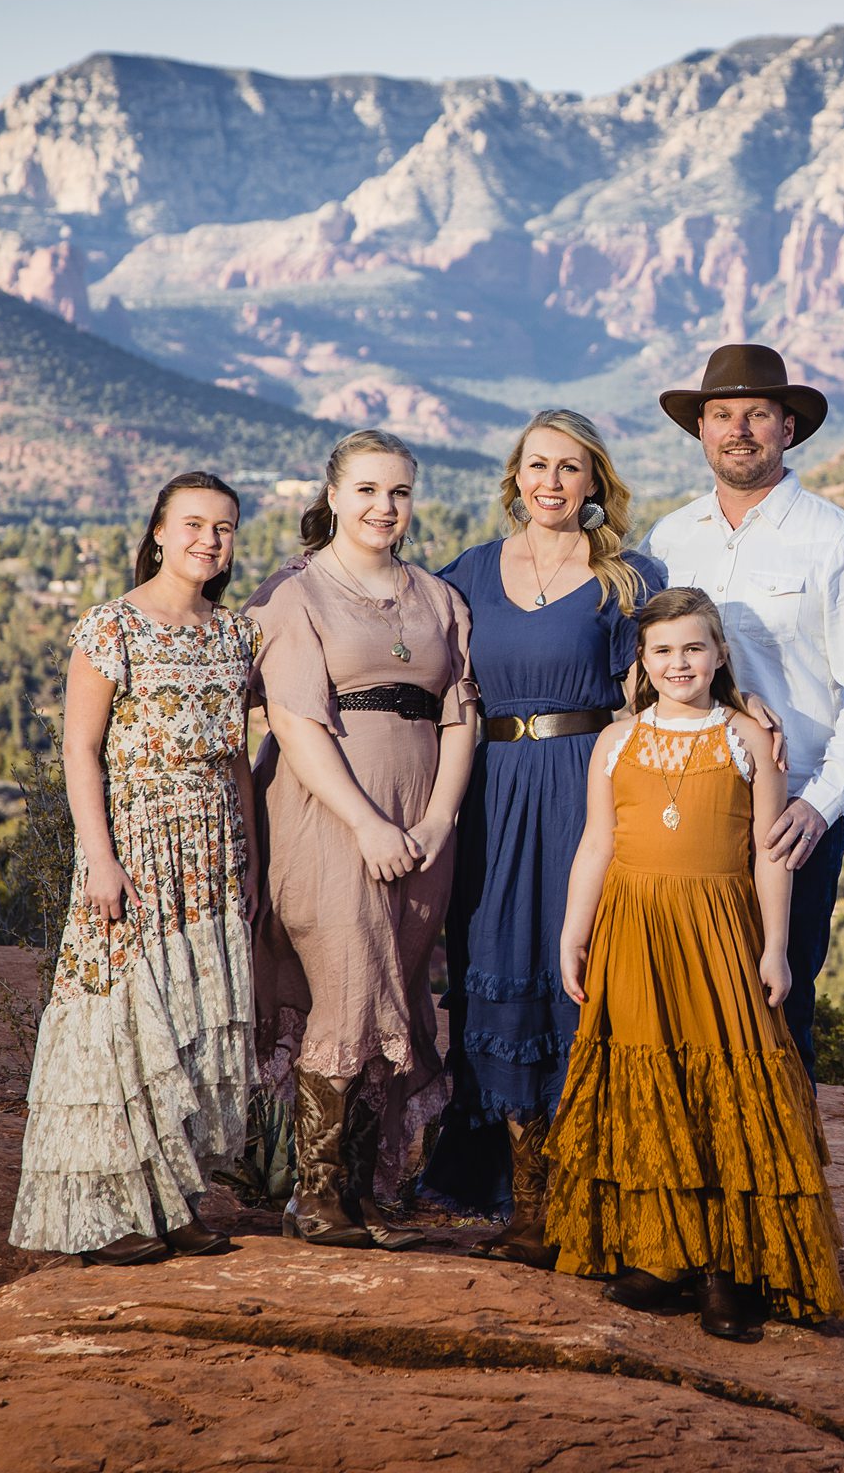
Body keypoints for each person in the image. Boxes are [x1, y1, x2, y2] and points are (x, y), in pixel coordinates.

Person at [546, 587, 844, 1340]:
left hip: (718, 931)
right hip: (634, 930)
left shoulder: (747, 738)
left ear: (717, 655)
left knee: (726, 1080)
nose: (679, 663)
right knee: (654, 1084)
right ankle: (666, 1252)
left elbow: (769, 856)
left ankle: (732, 1271)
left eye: (693, 648)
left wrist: (774, 948)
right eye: (663, 651)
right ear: (642, 663)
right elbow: (597, 843)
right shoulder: (616, 742)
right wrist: (572, 934)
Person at [423, 408, 663, 1265]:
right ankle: (526, 1204)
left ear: (595, 481)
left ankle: (593, 1197)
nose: (551, 482)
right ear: (515, 479)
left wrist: (746, 718)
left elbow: (656, 693)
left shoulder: (630, 579)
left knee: (585, 977)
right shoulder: (468, 575)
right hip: (490, 793)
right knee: (501, 976)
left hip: (586, 789)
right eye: (537, 466)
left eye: (569, 468)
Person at [9, 471, 258, 1267]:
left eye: (222, 528)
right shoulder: (111, 627)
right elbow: (79, 750)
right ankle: (110, 1214)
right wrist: (101, 862)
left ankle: (176, 1201)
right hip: (136, 849)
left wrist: (251, 857)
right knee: (121, 1027)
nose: (207, 541)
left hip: (212, 854)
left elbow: (238, 761)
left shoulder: (236, 635)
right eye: (191, 524)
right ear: (157, 531)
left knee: (186, 1024)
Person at [245, 428, 477, 1250]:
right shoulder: (294, 594)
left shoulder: (439, 598)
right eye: (369, 490)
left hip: (422, 821)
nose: (385, 507)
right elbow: (299, 724)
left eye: (400, 492)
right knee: (348, 984)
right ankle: (316, 1195)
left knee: (399, 989)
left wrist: (439, 821)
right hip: (329, 815)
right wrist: (368, 823)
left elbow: (461, 717)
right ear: (334, 496)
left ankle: (374, 1187)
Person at [644, 343, 844, 1071]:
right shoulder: (669, 540)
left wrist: (821, 805)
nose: (739, 429)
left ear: (788, 428)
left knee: (776, 1009)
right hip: (686, 810)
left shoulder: (834, 540)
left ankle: (784, 1181)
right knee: (687, 1002)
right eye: (722, 414)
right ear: (701, 430)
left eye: (757, 414)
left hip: (789, 820)